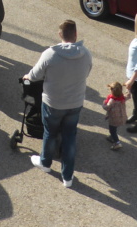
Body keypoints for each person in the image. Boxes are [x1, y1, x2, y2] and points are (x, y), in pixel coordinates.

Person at [24, 19, 93, 188]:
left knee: (50, 133)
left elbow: (35, 75)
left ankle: (45, 163)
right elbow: (87, 72)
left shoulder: (50, 54)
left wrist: (27, 77)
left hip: (53, 103)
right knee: (70, 136)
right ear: (76, 34)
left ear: (60, 34)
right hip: (75, 102)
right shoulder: (86, 54)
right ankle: (67, 177)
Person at [103, 81, 127, 150]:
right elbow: (128, 95)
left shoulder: (111, 100)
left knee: (112, 130)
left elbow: (107, 108)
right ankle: (112, 137)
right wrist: (128, 88)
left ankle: (117, 142)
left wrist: (104, 103)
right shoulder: (123, 98)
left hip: (114, 119)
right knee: (115, 128)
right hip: (122, 117)